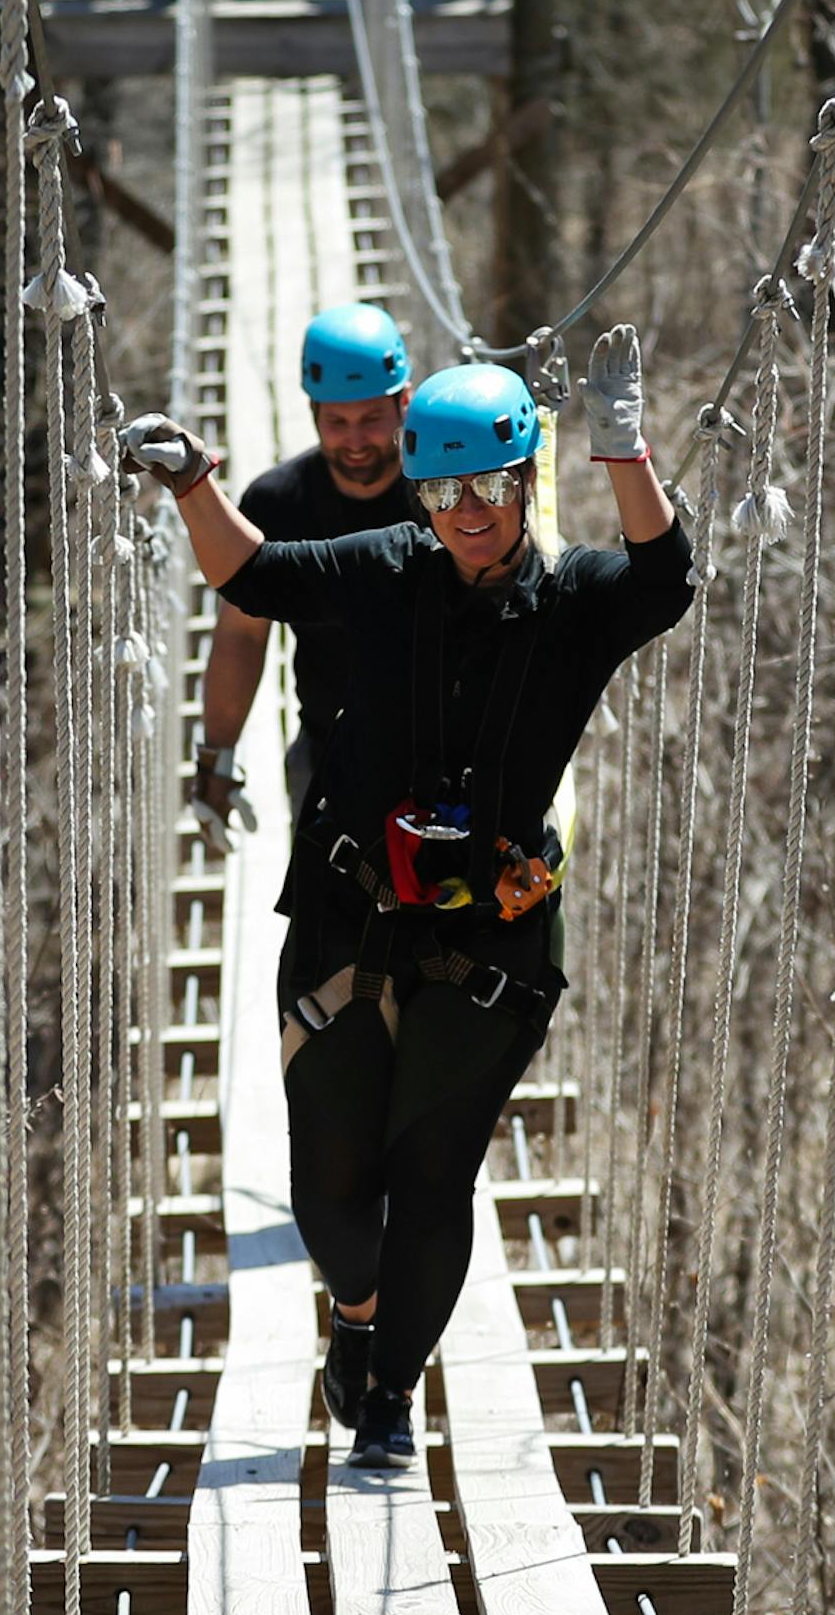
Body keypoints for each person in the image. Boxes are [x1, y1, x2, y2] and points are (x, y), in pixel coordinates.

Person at [125, 324, 693, 1470]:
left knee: (431, 1180)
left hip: (490, 943)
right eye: (443, 488)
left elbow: (665, 579)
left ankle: (388, 1392)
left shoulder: (577, 601)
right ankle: (354, 1313)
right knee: (334, 1194)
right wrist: (192, 479)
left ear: (525, 478)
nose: (466, 509)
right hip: (347, 917)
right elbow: (249, 574)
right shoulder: (382, 567)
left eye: (488, 484)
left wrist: (624, 450)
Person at [192, 301, 414, 848]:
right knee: (327, 931)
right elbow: (242, 637)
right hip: (329, 757)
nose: (355, 440)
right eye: (337, 422)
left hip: (451, 759)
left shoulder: (447, 493)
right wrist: (216, 760)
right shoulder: (277, 504)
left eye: (371, 419)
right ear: (313, 412)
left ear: (405, 403)